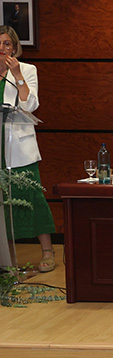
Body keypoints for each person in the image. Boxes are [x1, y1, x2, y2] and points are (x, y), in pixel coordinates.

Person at [1, 26, 56, 272]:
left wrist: (17, 75)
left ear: (14, 47)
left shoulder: (27, 69)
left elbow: (30, 105)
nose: (2, 48)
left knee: (32, 198)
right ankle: (6, 258)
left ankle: (47, 250)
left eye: (6, 44)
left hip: (19, 147)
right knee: (2, 204)